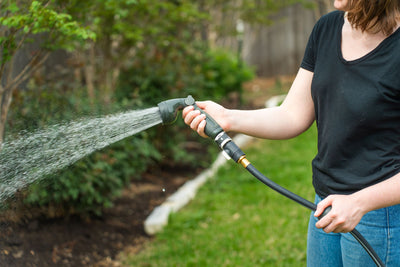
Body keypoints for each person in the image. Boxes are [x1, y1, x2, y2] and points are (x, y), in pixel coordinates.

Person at [182, 0, 400, 266]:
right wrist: (227, 118)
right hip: (326, 205)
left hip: (382, 216)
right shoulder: (327, 28)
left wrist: (360, 202)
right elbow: (292, 115)